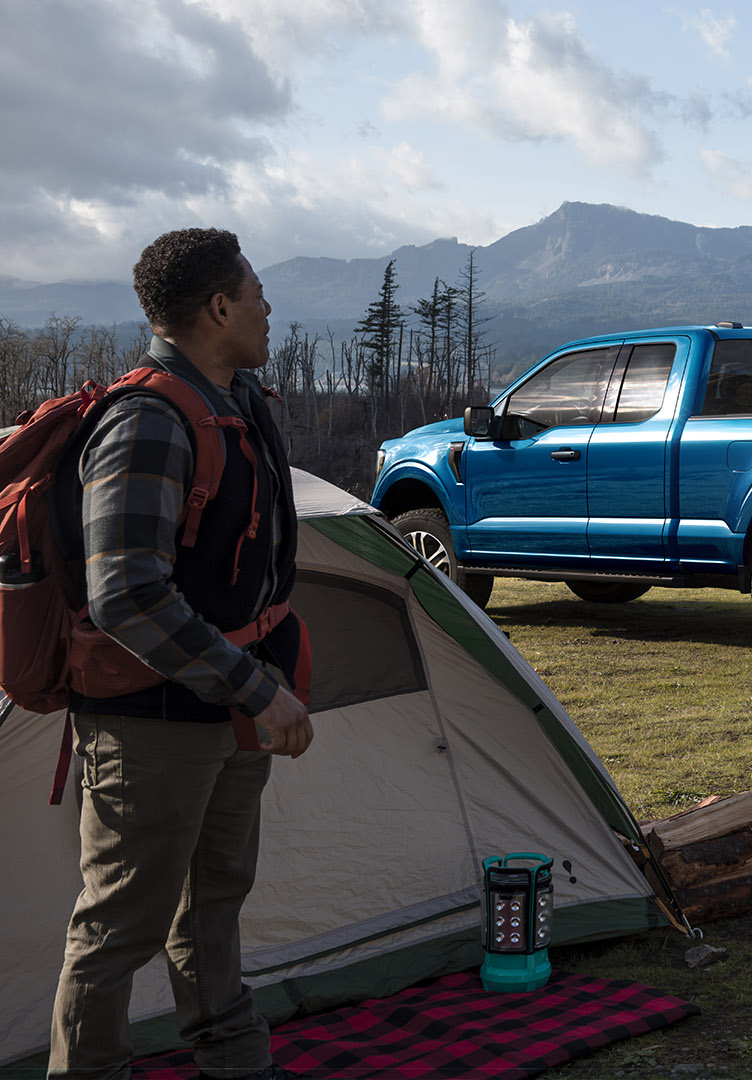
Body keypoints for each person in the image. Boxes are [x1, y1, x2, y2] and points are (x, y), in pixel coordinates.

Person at [50, 229, 312, 1080]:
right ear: (220, 308)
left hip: (226, 706)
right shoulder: (149, 420)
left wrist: (256, 684)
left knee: (212, 904)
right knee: (119, 926)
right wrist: (255, 688)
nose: (269, 306)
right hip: (149, 722)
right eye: (257, 292)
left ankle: (237, 1061)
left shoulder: (237, 401)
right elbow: (125, 593)